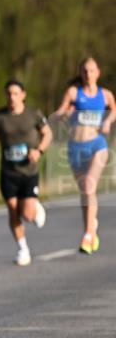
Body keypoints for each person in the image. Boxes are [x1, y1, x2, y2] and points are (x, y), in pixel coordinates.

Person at [0, 79, 52, 266]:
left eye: (15, 93)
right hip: (9, 172)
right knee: (13, 211)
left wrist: (39, 151)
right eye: (8, 94)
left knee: (28, 215)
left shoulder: (33, 114)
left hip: (29, 172)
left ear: (23, 95)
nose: (11, 97)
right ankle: (23, 249)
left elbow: (48, 134)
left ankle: (35, 207)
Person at [52, 57, 114, 254]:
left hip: (98, 144)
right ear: (81, 73)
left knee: (89, 185)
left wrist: (108, 121)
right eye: (85, 71)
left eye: (92, 70)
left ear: (98, 72)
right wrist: (61, 115)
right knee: (86, 193)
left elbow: (114, 110)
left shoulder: (105, 95)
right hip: (75, 147)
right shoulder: (73, 93)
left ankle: (88, 234)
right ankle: (91, 228)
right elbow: (61, 111)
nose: (89, 74)